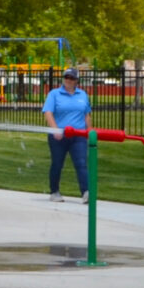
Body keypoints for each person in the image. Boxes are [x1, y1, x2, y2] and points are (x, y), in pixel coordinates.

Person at [41, 66, 91, 201]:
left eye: (72, 78)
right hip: (59, 136)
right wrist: (55, 129)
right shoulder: (54, 94)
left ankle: (86, 192)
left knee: (81, 163)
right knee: (57, 163)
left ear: (76, 80)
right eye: (66, 77)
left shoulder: (82, 95)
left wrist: (89, 131)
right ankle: (54, 192)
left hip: (78, 135)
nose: (69, 80)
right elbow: (48, 112)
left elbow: (86, 114)